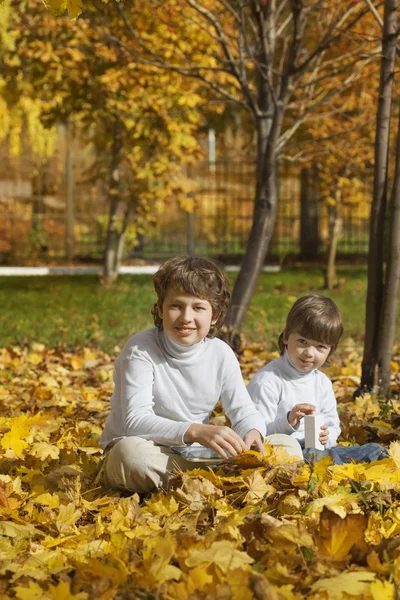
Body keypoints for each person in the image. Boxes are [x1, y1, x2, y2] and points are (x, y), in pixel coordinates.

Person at [99, 256, 303, 494]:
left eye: (198, 307)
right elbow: (135, 422)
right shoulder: (140, 350)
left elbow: (244, 411)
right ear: (161, 309)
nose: (186, 317)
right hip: (148, 451)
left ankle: (201, 481)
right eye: (176, 306)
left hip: (194, 455)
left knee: (288, 447)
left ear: (214, 315)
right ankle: (217, 481)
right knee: (129, 456)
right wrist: (196, 431)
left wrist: (253, 432)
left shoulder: (221, 353)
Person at [247, 294, 388, 465]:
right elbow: (256, 433)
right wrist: (287, 422)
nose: (309, 353)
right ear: (286, 337)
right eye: (302, 341)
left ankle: (338, 463)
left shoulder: (321, 382)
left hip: (319, 449)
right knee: (314, 456)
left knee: (374, 449)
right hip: (284, 452)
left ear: (330, 350)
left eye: (320, 346)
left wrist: (326, 437)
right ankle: (336, 465)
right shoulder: (268, 381)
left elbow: (332, 424)